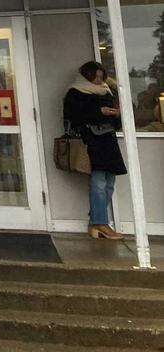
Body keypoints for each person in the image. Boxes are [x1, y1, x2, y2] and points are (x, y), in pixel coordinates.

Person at [64, 61, 127, 240]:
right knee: (98, 181)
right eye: (95, 77)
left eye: (101, 77)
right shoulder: (75, 92)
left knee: (109, 182)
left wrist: (115, 115)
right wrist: (99, 112)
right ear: (87, 75)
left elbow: (116, 121)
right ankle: (100, 223)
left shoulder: (107, 91)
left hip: (108, 139)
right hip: (92, 140)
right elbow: (72, 116)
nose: (99, 80)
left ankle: (96, 222)